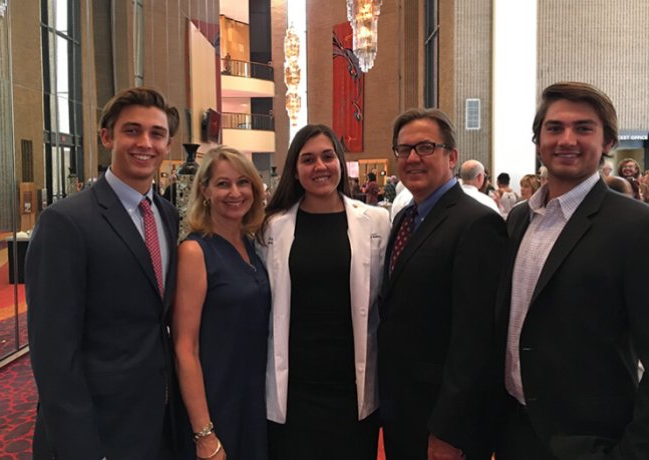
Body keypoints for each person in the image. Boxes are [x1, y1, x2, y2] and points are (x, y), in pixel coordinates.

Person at [496, 81, 649, 459]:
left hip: (591, 441)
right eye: (554, 128)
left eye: (583, 128)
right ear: (538, 140)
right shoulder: (520, 219)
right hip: (515, 433)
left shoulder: (639, 228)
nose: (566, 139)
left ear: (608, 142)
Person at [26, 87, 181, 459]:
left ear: (168, 144)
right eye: (132, 130)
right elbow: (53, 352)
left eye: (156, 134)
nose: (145, 143)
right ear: (107, 136)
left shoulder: (168, 216)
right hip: (93, 430)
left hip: (155, 423)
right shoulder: (65, 222)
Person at [378, 108, 507, 460]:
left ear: (451, 156)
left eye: (425, 147)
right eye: (404, 150)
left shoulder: (477, 223)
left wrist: (450, 429)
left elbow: (476, 337)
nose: (412, 158)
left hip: (444, 420)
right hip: (403, 406)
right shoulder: (407, 217)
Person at [257, 124, 390, 459]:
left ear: (340, 163)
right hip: (295, 386)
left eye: (328, 157)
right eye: (308, 159)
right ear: (296, 170)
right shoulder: (272, 227)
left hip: (352, 384)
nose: (320, 167)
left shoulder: (375, 222)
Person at [173, 147, 270, 460]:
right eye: (223, 184)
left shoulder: (252, 245)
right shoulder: (194, 251)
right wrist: (204, 433)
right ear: (205, 190)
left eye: (243, 183)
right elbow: (185, 348)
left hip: (256, 397)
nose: (235, 192)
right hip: (217, 399)